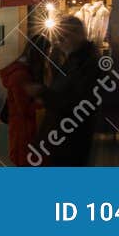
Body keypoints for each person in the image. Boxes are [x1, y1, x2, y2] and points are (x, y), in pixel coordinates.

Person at [33, 15, 101, 166]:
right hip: (63, 138)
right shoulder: (73, 60)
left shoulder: (86, 63)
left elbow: (76, 101)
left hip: (72, 139)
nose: (60, 42)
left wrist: (43, 93)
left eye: (64, 37)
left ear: (77, 35)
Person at [0, 36, 45, 166]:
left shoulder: (22, 72)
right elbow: (23, 109)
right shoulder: (21, 76)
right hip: (23, 132)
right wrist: (41, 102)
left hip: (23, 130)